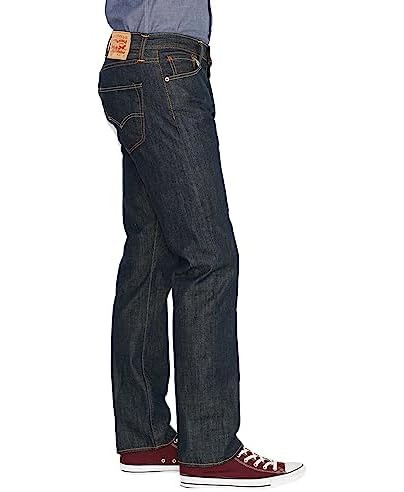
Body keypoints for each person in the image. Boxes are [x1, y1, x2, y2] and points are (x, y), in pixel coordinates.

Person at [97, 1, 305, 487]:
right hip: (165, 66)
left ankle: (145, 438)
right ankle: (210, 450)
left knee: (150, 254)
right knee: (209, 259)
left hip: (133, 63)